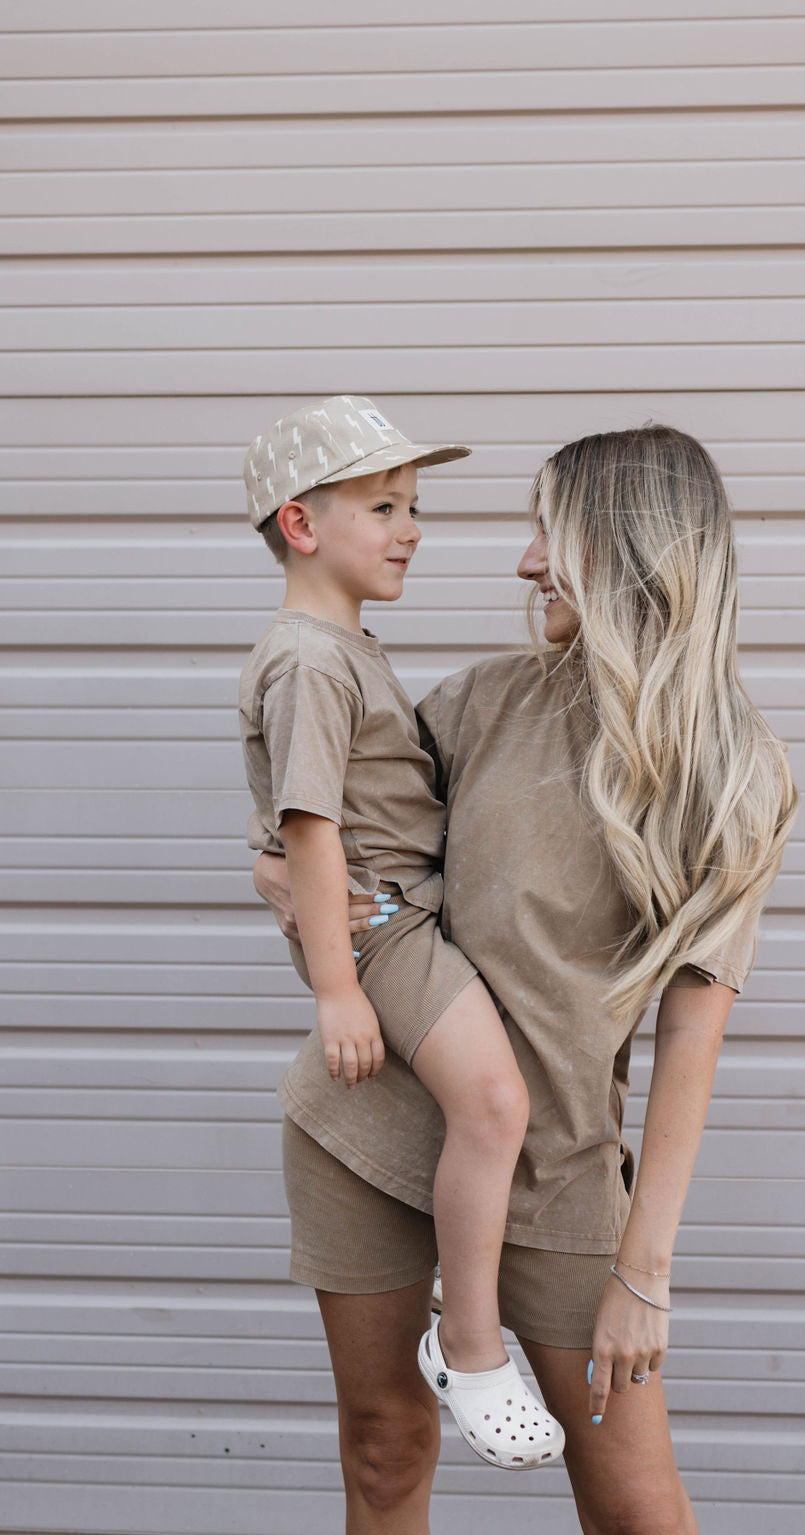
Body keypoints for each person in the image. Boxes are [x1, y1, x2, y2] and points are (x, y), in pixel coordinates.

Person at [256, 423, 798, 1533]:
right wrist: (277, 880)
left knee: (636, 1507)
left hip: (558, 1175)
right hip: (372, 1131)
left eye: (547, 532)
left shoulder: (733, 777)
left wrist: (641, 1271)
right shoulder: (478, 705)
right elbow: (344, 841)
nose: (523, 562)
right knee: (384, 1449)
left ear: (623, 548)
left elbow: (692, 1042)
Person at [238, 395, 565, 1470]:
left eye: (411, 503)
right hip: (387, 928)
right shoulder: (310, 661)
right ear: (300, 523)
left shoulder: (339, 649)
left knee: (490, 1096)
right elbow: (310, 825)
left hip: (397, 916)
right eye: (383, 505)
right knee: (497, 1096)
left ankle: (466, 1331)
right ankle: (468, 1345)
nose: (410, 527)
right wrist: (338, 983)